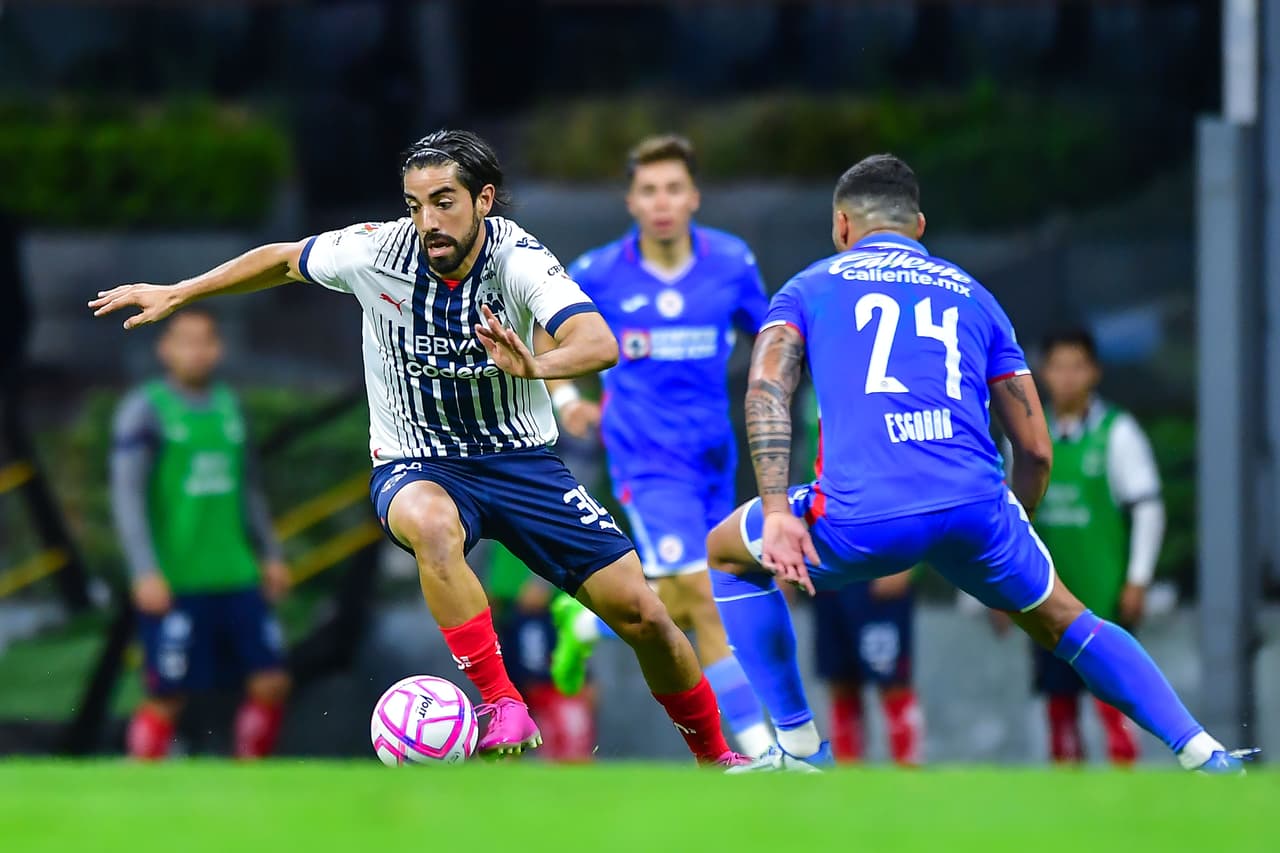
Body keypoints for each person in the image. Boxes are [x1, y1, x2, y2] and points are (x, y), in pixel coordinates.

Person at [91, 130, 747, 766]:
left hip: (521, 460)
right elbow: (283, 259)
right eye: (414, 204)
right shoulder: (376, 251)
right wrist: (181, 291)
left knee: (645, 615)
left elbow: (597, 342)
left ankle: (717, 758)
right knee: (432, 524)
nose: (427, 220)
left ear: (483, 200)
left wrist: (535, 367)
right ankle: (500, 701)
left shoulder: (518, 259)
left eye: (443, 202)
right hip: (416, 461)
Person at [703, 153, 1255, 773]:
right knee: (1067, 622)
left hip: (864, 514)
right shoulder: (974, 295)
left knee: (727, 554)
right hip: (975, 509)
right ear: (919, 226)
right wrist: (1014, 521)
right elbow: (1036, 446)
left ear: (841, 225)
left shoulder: (809, 287)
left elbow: (766, 391)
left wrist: (778, 510)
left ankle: (801, 749)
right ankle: (1205, 753)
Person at [544, 134, 772, 757]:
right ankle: (760, 751)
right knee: (705, 597)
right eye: (649, 190)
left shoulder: (731, 262)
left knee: (704, 592)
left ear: (694, 196)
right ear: (631, 202)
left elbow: (771, 337)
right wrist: (567, 400)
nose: (662, 201)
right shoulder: (599, 271)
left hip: (714, 456)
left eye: (673, 188)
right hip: (645, 458)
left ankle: (587, 620)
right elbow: (544, 329)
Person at [110, 309, 291, 760]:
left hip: (237, 574)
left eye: (204, 341)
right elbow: (127, 496)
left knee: (271, 681)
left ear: (217, 349)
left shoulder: (230, 406)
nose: (196, 351)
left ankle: (252, 779)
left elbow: (249, 488)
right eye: (185, 341)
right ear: (165, 349)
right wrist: (143, 571)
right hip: (177, 580)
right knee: (167, 695)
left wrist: (270, 554)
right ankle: (137, 782)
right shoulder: (146, 409)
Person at [1029, 328, 1165, 764]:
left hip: (1104, 601)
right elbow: (1010, 516)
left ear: (1094, 372)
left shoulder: (1117, 433)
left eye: (1077, 366)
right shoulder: (1030, 435)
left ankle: (1125, 793)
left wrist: (1138, 579)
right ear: (1043, 373)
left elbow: (1147, 508)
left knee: (1116, 702)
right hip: (1047, 601)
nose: (1067, 377)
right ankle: (1067, 796)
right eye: (1058, 367)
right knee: (1058, 707)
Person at [802, 389, 924, 764]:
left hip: (880, 561)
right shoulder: (808, 398)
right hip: (828, 560)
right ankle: (850, 781)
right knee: (840, 680)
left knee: (892, 679)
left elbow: (917, 475)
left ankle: (909, 778)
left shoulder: (887, 389)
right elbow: (804, 473)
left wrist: (909, 559)